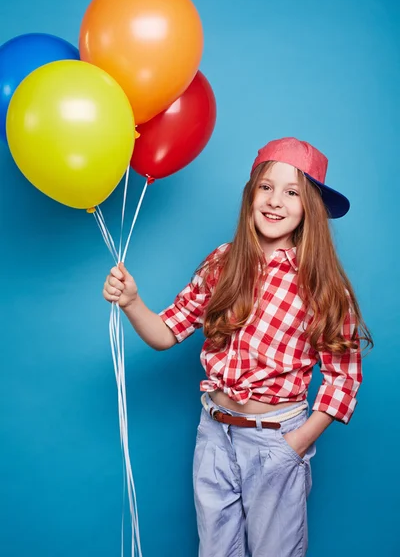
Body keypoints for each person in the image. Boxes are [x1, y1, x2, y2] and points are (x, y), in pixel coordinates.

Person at [103, 137, 373, 557]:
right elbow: (165, 333)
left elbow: (343, 379)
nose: (275, 201)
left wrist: (295, 445)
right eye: (266, 187)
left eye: (291, 192)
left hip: (276, 440)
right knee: (215, 550)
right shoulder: (222, 263)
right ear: (251, 194)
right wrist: (133, 302)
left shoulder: (321, 284)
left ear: (309, 208)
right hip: (214, 433)